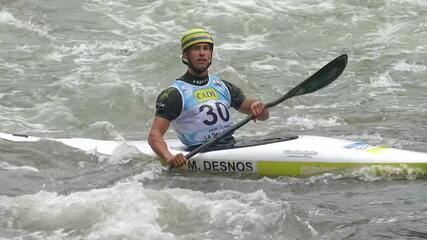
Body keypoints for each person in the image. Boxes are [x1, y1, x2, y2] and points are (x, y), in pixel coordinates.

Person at [148, 28, 269, 167]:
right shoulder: (175, 94)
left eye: (206, 49)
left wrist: (259, 107)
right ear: (185, 55)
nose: (202, 53)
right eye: (196, 49)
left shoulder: (223, 86)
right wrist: (169, 158)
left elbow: (263, 116)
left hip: (230, 146)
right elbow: (154, 136)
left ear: (211, 54)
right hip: (199, 152)